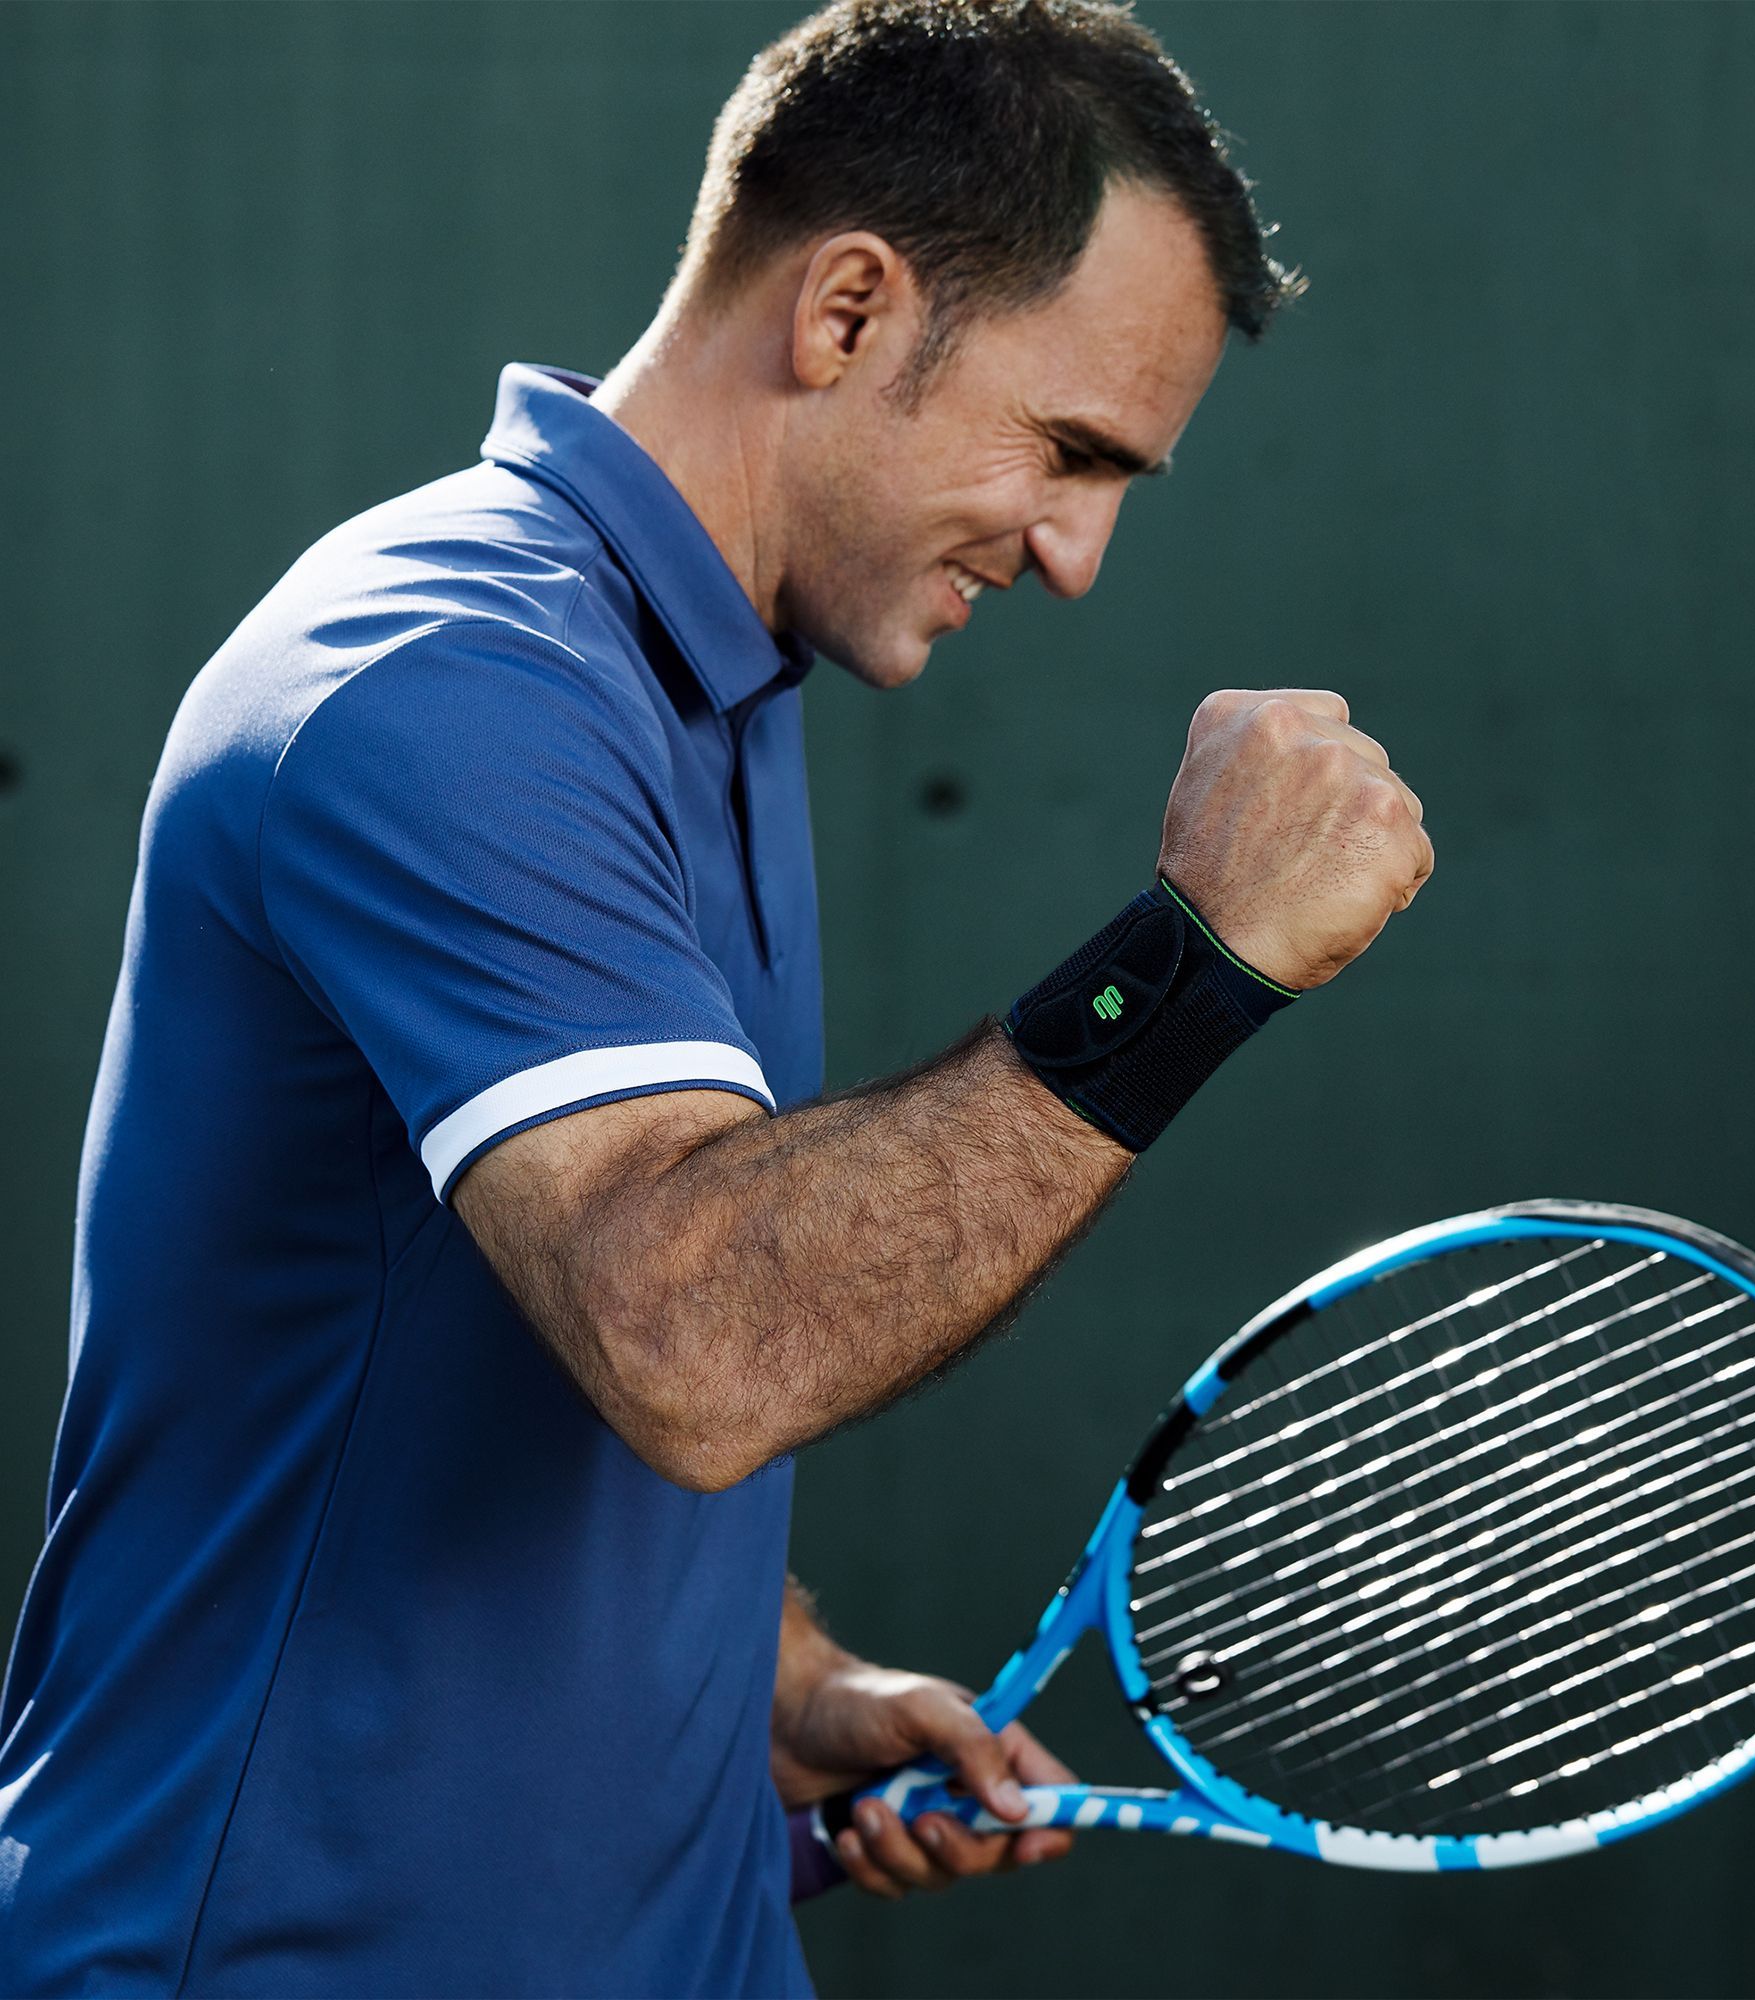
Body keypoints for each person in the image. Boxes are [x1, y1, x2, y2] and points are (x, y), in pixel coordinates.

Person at [0, 0, 1431, 1992]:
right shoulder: (446, 679)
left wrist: (775, 1681)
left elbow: (519, 1327)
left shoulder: (714, 671)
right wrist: (1188, 967)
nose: (1080, 552)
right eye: (1068, 450)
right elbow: (698, 1332)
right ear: (845, 312)